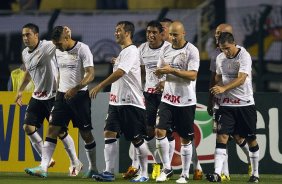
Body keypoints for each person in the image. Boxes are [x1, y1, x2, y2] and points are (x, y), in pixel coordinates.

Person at [24, 25, 97, 178]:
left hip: (79, 97)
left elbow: (91, 74)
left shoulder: (83, 49)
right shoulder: (58, 50)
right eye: (55, 45)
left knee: (86, 134)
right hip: (61, 97)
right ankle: (43, 167)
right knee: (52, 129)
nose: (57, 47)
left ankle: (93, 167)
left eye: (59, 44)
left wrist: (76, 88)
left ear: (66, 39)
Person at [15, 23, 81, 177]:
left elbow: (62, 43)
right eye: (23, 35)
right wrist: (20, 90)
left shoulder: (47, 46)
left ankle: (75, 161)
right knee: (27, 127)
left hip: (54, 96)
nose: (25, 38)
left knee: (60, 132)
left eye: (28, 34)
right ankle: (46, 161)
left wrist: (67, 35)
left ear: (36, 35)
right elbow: (29, 72)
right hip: (37, 96)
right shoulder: (25, 53)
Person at [90, 21, 150, 182]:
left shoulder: (131, 51)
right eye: (115, 30)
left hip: (131, 102)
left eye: (119, 31)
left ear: (128, 33)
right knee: (109, 133)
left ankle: (144, 173)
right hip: (116, 102)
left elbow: (121, 72)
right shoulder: (124, 52)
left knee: (136, 138)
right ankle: (109, 172)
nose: (116, 33)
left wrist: (100, 85)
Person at [207, 32, 260, 183]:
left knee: (250, 139)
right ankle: (217, 173)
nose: (226, 52)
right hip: (226, 105)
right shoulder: (220, 58)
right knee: (221, 136)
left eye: (228, 48)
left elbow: (242, 78)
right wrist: (217, 88)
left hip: (244, 103)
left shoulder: (244, 55)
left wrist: (224, 88)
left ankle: (255, 174)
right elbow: (218, 77)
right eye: (222, 49)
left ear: (234, 44)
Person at [122, 20, 171, 180]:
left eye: (154, 32)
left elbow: (175, 71)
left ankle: (166, 167)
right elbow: (140, 71)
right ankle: (155, 165)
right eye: (148, 32)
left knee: (166, 133)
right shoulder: (141, 49)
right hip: (148, 95)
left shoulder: (168, 49)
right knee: (147, 131)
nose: (150, 35)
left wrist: (165, 82)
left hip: (166, 95)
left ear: (161, 33)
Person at [154, 21, 200, 184]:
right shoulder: (165, 49)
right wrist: (160, 76)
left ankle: (185, 174)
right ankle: (167, 168)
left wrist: (172, 70)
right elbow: (160, 70)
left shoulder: (191, 50)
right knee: (159, 131)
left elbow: (193, 75)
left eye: (175, 35)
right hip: (168, 99)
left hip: (185, 101)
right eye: (171, 34)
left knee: (185, 139)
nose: (172, 38)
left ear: (183, 34)